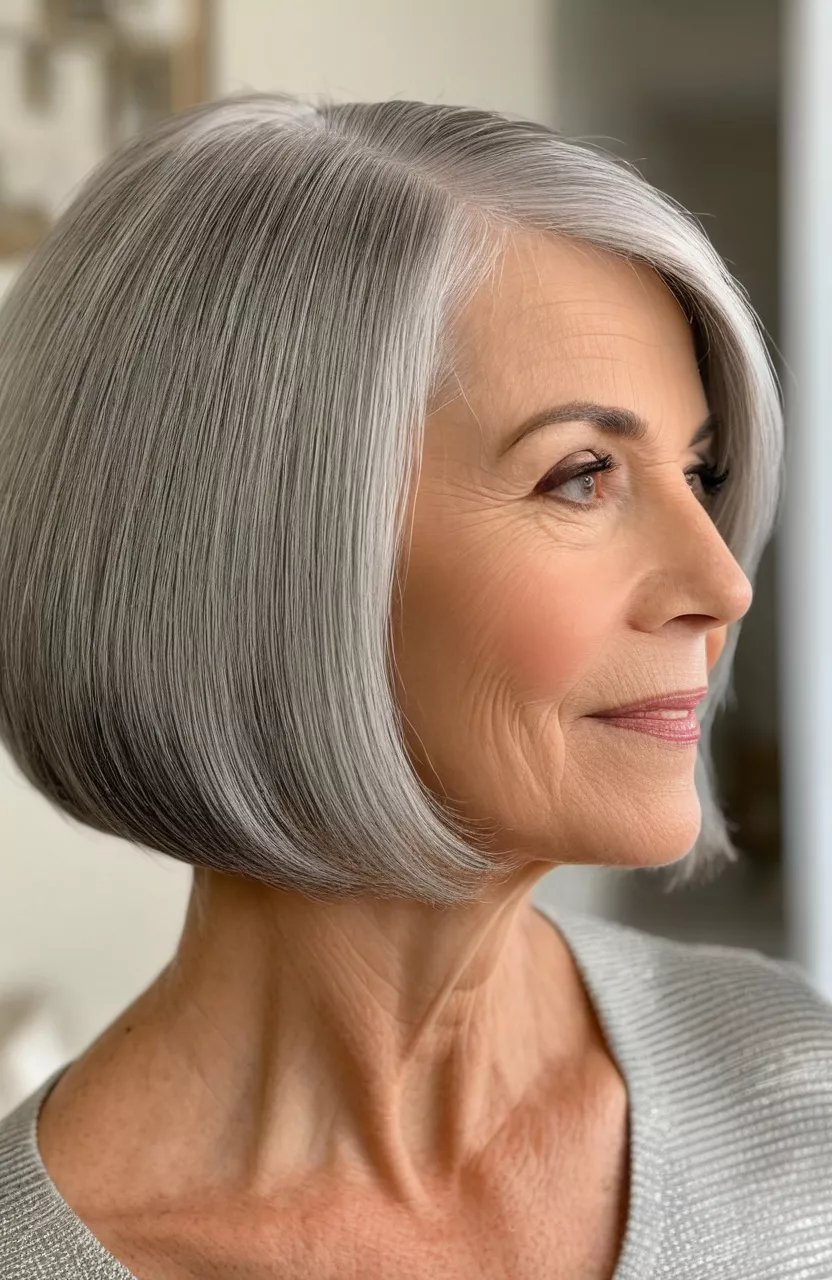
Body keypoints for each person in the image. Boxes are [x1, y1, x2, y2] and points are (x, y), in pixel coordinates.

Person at [0, 92, 829, 1280]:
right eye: (580, 474)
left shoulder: (794, 1084)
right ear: (266, 558)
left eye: (698, 471)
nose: (722, 582)